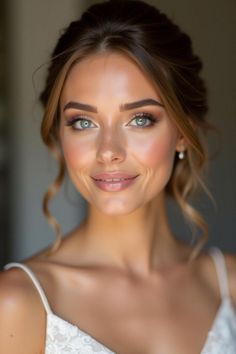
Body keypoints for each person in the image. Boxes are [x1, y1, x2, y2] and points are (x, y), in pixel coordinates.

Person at [0, 0, 235, 353]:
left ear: (184, 132)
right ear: (60, 135)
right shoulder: (16, 304)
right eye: (83, 122)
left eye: (140, 119)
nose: (108, 150)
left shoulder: (228, 286)